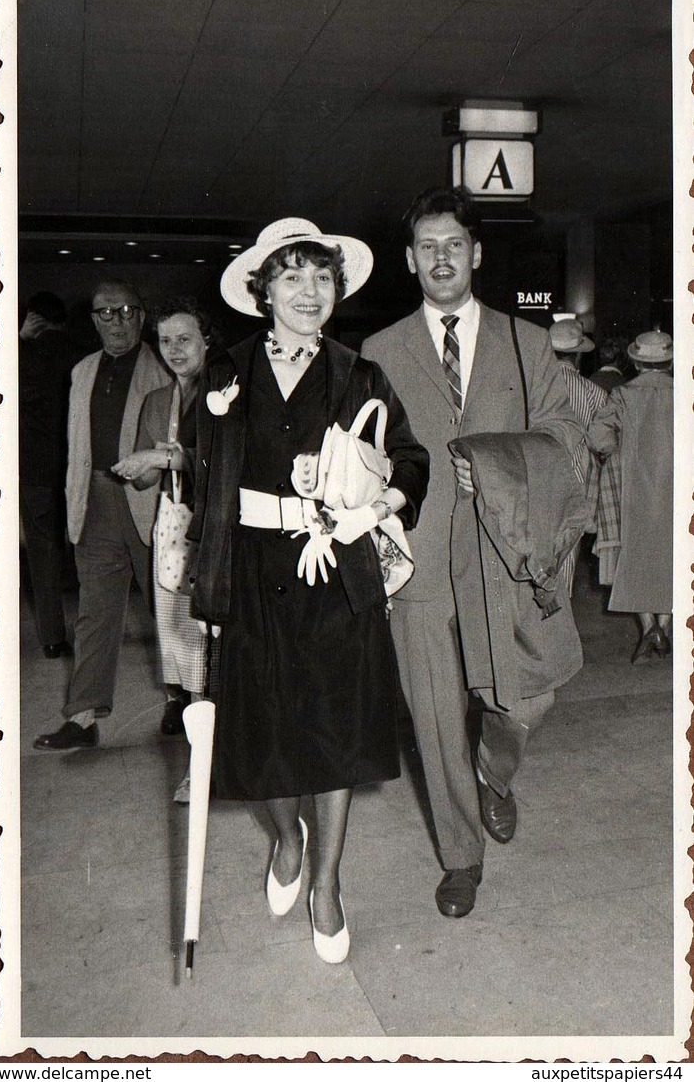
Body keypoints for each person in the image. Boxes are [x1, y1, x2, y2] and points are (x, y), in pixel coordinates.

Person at [190, 218, 429, 963]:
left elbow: (410, 457)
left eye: (322, 277)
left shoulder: (360, 373)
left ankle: (327, 883)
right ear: (263, 292)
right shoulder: (225, 371)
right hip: (256, 573)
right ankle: (286, 837)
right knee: (263, 731)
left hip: (340, 574)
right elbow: (205, 468)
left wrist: (373, 505)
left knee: (337, 732)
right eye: (291, 277)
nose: (309, 292)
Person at [362, 186, 584, 919]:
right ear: (409, 260)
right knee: (431, 712)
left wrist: (492, 461)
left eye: (454, 244)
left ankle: (496, 769)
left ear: (477, 253)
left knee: (523, 699)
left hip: (503, 550)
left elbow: (566, 436)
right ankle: (461, 857)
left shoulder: (526, 343)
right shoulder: (380, 351)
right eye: (428, 246)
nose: (442, 258)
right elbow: (368, 451)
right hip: (419, 558)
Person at [34, 280, 171, 751]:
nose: (116, 321)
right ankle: (83, 717)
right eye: (105, 313)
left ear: (142, 315)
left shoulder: (165, 367)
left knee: (168, 608)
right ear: (93, 319)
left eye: (127, 310)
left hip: (151, 501)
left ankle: (180, 700)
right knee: (94, 613)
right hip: (94, 501)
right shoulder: (82, 370)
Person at [110, 298, 216, 739]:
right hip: (172, 524)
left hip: (214, 523)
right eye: (165, 341)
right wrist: (140, 466)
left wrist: (161, 455)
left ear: (207, 341)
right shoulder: (157, 400)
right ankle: (185, 707)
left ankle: (210, 716)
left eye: (185, 339)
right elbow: (144, 481)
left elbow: (219, 463)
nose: (174, 350)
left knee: (209, 628)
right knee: (175, 626)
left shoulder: (224, 392)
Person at [587, 330, 673, 663]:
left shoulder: (623, 395)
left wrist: (618, 453)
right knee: (670, 556)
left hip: (633, 489)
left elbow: (598, 437)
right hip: (677, 489)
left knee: (635, 558)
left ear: (636, 361)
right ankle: (662, 627)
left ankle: (650, 626)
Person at [19, 291, 75, 658]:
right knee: (93, 551)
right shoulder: (77, 353)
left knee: (42, 554)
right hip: (75, 466)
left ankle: (53, 638)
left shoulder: (20, 358)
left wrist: (20, 340)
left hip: (36, 470)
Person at [548, 319, 607, 593]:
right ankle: (559, 623)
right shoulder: (594, 393)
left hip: (535, 478)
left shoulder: (532, 388)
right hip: (577, 482)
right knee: (567, 558)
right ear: (579, 354)